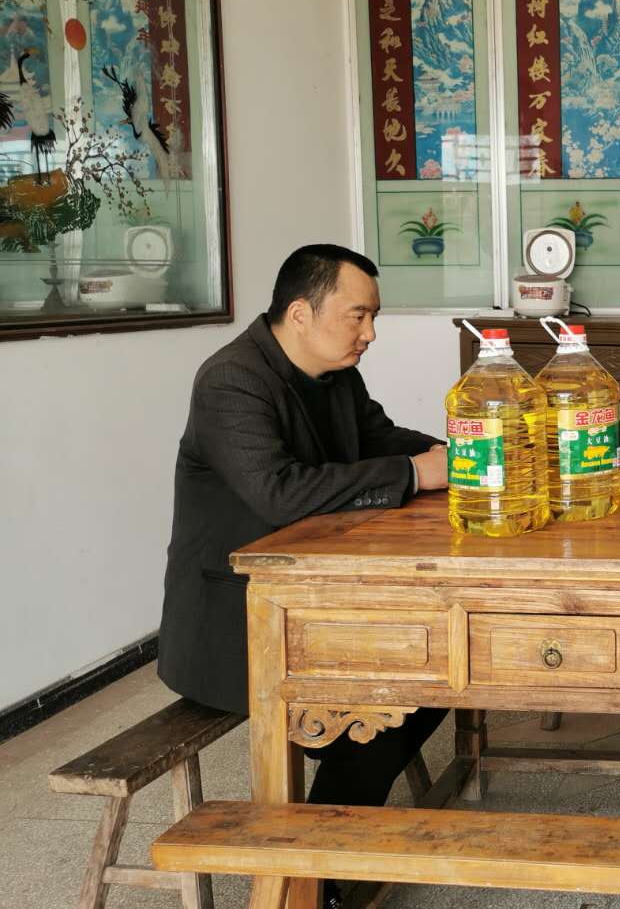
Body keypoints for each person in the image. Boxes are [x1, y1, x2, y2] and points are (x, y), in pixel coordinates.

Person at [157, 245, 449, 909]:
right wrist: (414, 474)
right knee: (407, 693)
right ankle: (313, 879)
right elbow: (279, 493)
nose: (369, 334)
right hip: (237, 623)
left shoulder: (334, 372)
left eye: (373, 318)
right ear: (299, 313)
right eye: (358, 316)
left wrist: (458, 453)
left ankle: (324, 854)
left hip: (315, 604)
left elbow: (381, 439)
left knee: (433, 678)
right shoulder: (230, 380)